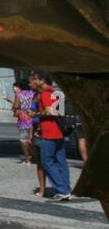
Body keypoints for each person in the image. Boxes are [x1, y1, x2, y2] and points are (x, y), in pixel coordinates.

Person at [32, 72, 72, 201]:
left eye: (35, 79)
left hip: (49, 132)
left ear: (41, 80)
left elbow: (50, 111)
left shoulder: (44, 93)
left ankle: (61, 190)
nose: (33, 82)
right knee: (61, 162)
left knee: (47, 161)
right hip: (60, 131)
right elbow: (59, 111)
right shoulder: (56, 92)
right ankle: (66, 188)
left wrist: (36, 114)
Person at [11, 80, 36, 165]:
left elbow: (16, 106)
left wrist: (14, 108)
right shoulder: (33, 93)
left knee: (23, 140)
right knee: (32, 138)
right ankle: (34, 157)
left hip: (23, 119)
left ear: (19, 86)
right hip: (33, 117)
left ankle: (27, 159)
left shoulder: (19, 94)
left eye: (15, 86)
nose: (14, 88)